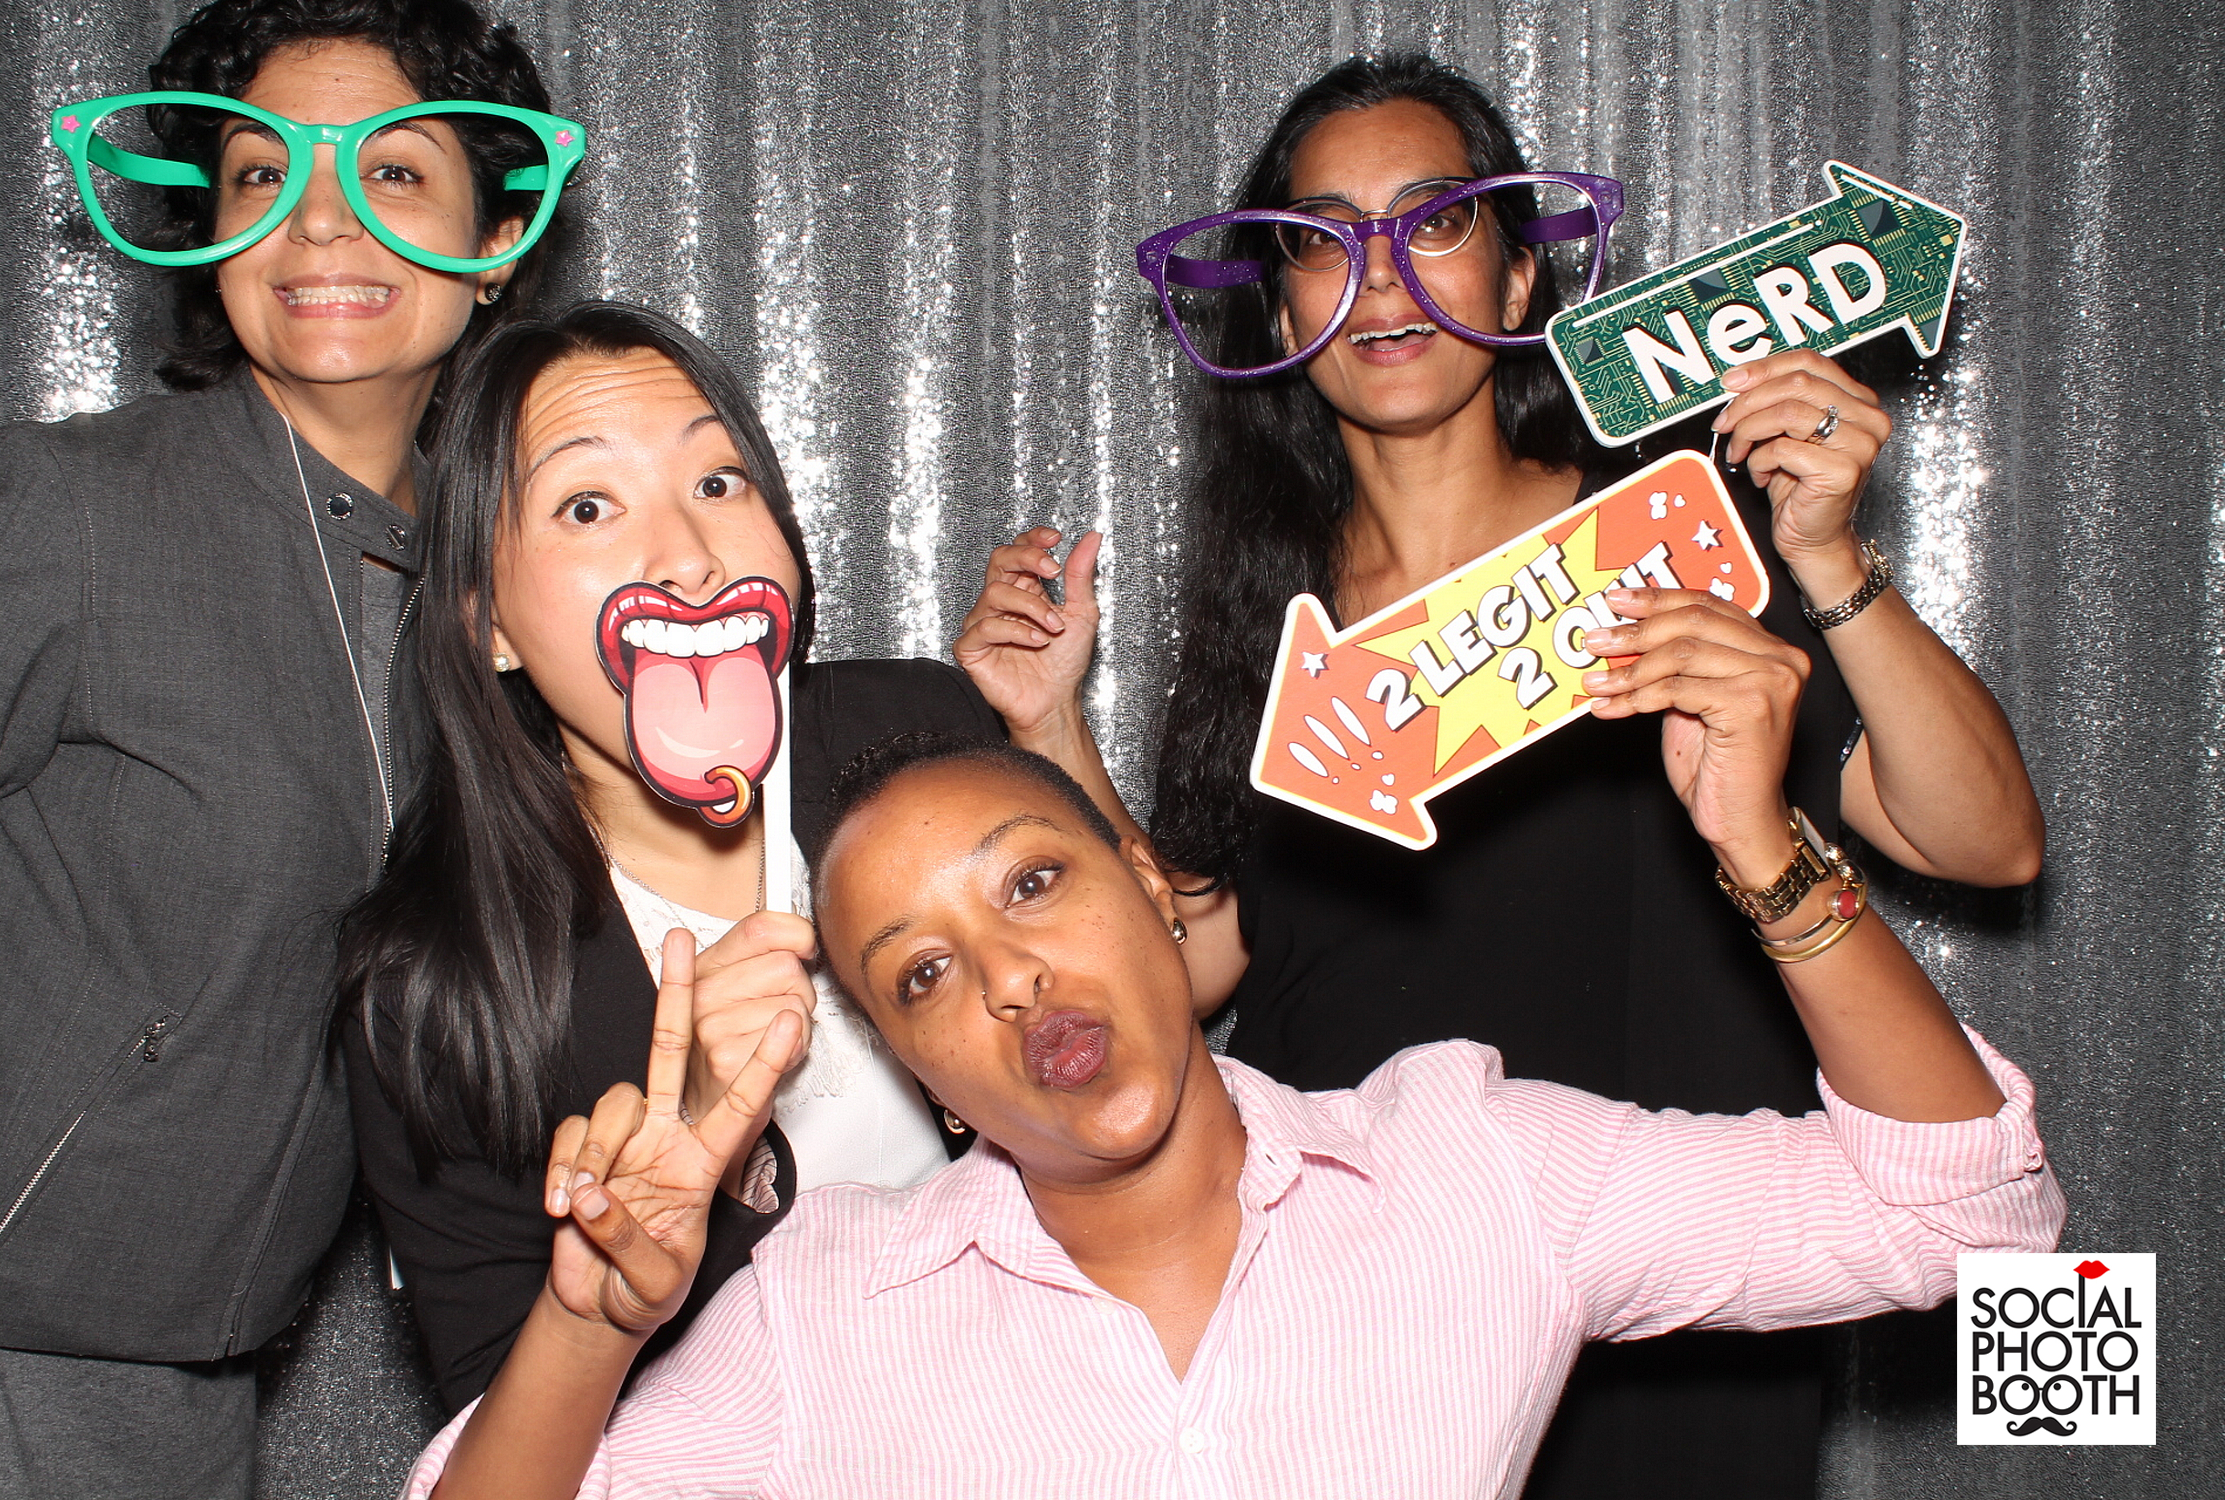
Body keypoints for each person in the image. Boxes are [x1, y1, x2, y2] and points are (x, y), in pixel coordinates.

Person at [958, 52, 2046, 1497]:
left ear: (1521, 276)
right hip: (1371, 1306)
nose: (1382, 275)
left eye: (1436, 220)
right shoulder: (1265, 621)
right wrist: (1049, 729)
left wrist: (1830, 558)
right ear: (1278, 308)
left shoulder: (1671, 538)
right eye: (1323, 240)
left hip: (1680, 1270)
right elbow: (1200, 959)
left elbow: (1987, 844)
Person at [395, 570, 2065, 1496]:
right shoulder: (832, 1307)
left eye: (1033, 883)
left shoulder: (1465, 1165)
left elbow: (1966, 1217)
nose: (1007, 979)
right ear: (916, 1073)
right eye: (920, 977)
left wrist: (1765, 852)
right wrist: (593, 1323)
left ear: (1147, 882)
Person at [0, 2, 575, 1493]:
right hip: (9, 1337)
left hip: (208, 1356)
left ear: (498, 240)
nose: (317, 220)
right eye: (262, 173)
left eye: (394, 172)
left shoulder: (501, 593)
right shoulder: (69, 508)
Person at [338, 301, 1132, 1412]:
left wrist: (1048, 735)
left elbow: (1150, 1002)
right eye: (587, 505)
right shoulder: (430, 989)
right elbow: (499, 1438)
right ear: (488, 624)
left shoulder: (915, 733)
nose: (689, 555)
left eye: (718, 482)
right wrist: (705, 1162)